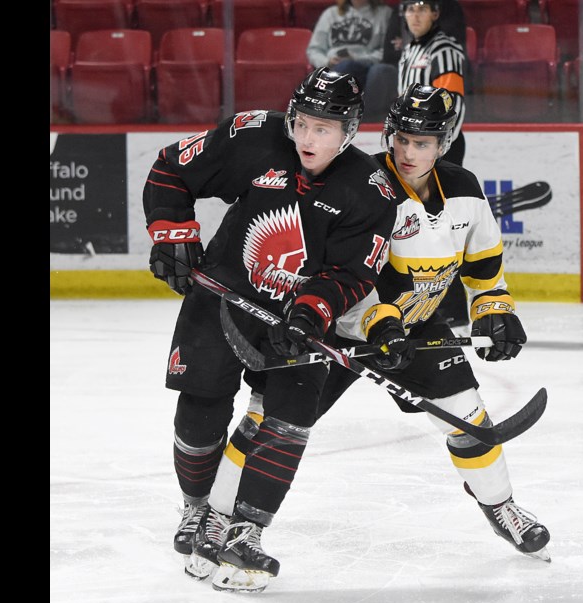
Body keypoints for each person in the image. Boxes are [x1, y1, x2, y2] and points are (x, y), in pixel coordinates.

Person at [207, 85, 551, 570]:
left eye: (423, 143)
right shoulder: (362, 185)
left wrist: (494, 311)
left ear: (445, 143)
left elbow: (483, 269)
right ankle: (218, 517)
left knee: (469, 417)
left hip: (412, 328)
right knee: (271, 420)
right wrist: (379, 323)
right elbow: (343, 272)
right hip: (330, 325)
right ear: (389, 134)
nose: (409, 152)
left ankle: (502, 506)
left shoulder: (467, 191)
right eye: (402, 139)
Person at [142, 67, 398, 593]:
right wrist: (172, 234)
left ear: (349, 130)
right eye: (302, 122)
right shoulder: (254, 135)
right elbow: (172, 169)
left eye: (323, 128)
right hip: (221, 298)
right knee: (200, 409)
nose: (307, 137)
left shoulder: (370, 189)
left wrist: (310, 312)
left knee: (286, 422)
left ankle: (248, 532)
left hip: (299, 323)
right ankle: (197, 511)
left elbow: (351, 272)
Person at [397, 0, 468, 165]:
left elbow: (453, 103)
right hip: (413, 143)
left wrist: (439, 147)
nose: (415, 16)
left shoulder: (444, 50)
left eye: (422, 9)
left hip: (438, 147)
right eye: (410, 10)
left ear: (434, 14)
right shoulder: (409, 51)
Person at [306, 0, 393, 119]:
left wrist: (357, 58)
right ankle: (332, 116)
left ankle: (367, 122)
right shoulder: (330, 14)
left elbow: (387, 51)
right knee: (344, 67)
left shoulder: (384, 13)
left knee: (375, 70)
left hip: (368, 66)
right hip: (335, 66)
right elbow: (314, 50)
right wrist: (327, 61)